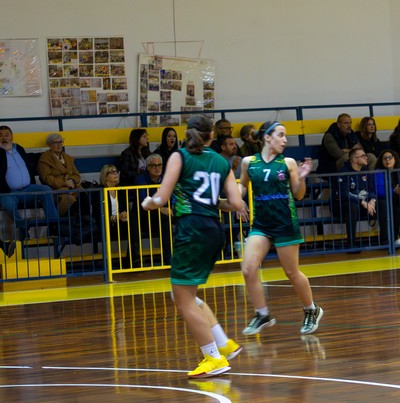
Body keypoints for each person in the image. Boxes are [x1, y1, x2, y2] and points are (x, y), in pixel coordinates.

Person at [141, 114, 248, 378]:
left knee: (183, 299)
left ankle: (213, 357)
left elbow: (162, 196)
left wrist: (149, 203)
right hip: (214, 231)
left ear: (186, 134)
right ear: (213, 136)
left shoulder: (180, 157)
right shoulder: (221, 162)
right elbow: (235, 203)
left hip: (192, 230)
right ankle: (223, 343)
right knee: (188, 295)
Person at [238, 121, 323, 336]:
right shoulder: (249, 162)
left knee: (292, 272)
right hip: (261, 225)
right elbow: (241, 186)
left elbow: (299, 194)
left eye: (286, 136)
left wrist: (302, 178)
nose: (285, 140)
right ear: (267, 137)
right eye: (281, 135)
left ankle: (311, 309)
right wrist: (235, 199)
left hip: (285, 223)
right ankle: (262, 314)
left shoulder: (289, 162)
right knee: (248, 268)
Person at [0, 125, 60, 235]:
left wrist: (44, 154)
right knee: (8, 204)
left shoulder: (19, 148)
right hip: (9, 192)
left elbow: (29, 158)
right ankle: (22, 226)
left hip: (28, 188)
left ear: (12, 137)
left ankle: (54, 225)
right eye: (1, 135)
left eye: (6, 135)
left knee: (46, 190)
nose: (4, 137)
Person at [335, 144, 378, 249]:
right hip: (343, 205)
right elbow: (344, 194)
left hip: (364, 204)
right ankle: (351, 244)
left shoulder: (366, 171)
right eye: (363, 156)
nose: (366, 157)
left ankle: (389, 239)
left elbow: (372, 189)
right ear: (354, 159)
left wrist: (372, 200)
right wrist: (362, 202)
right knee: (351, 205)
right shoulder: (344, 172)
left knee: (382, 202)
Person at [136, 153, 172, 265]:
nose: (157, 168)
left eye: (160, 165)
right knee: (165, 220)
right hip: (146, 215)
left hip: (166, 211)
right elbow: (144, 200)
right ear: (148, 167)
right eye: (154, 165)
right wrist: (160, 209)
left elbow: (174, 196)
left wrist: (172, 208)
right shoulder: (140, 179)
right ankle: (169, 259)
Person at [37, 133, 82, 216]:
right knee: (69, 199)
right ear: (50, 145)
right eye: (56, 142)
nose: (60, 144)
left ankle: (86, 225)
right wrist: (65, 183)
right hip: (56, 191)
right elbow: (46, 178)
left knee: (84, 196)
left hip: (73, 187)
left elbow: (77, 175)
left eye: (61, 142)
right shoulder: (44, 159)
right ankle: (61, 225)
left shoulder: (68, 158)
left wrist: (72, 181)